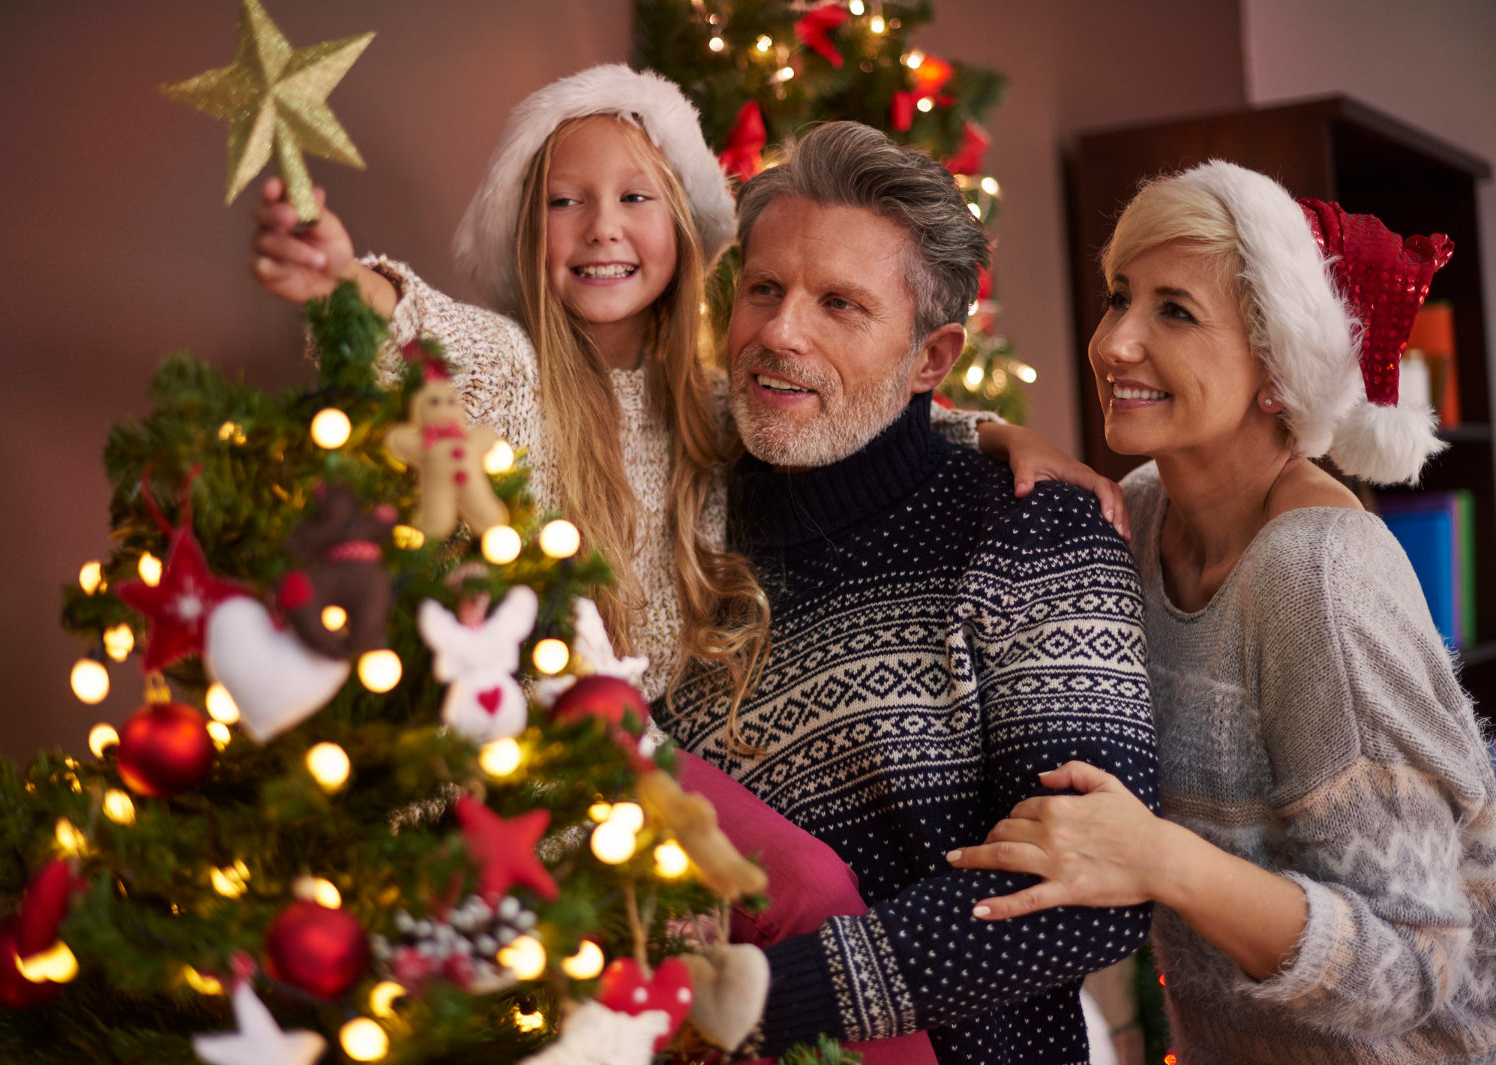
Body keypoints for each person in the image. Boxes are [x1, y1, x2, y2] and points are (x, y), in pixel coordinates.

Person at [249, 63, 1124, 711]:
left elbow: (860, 402)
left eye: (635, 198)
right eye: (564, 202)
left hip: (652, 796)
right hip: (510, 761)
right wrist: (336, 276)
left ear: (685, 231)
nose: (602, 229)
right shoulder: (507, 371)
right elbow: (414, 331)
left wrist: (1003, 436)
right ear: (526, 231)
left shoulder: (715, 410)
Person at [948, 160, 1496, 1063]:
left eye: (1175, 310)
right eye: (1119, 295)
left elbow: (1411, 968)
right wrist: (1001, 433)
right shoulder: (1145, 509)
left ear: (1281, 369)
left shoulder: (1318, 575)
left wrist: (1159, 858)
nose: (1114, 341)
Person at [654, 121, 1159, 1064]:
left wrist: (758, 999)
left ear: (930, 360)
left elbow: (1089, 884)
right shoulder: (672, 514)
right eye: (764, 288)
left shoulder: (1036, 533)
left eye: (839, 305)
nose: (778, 330)